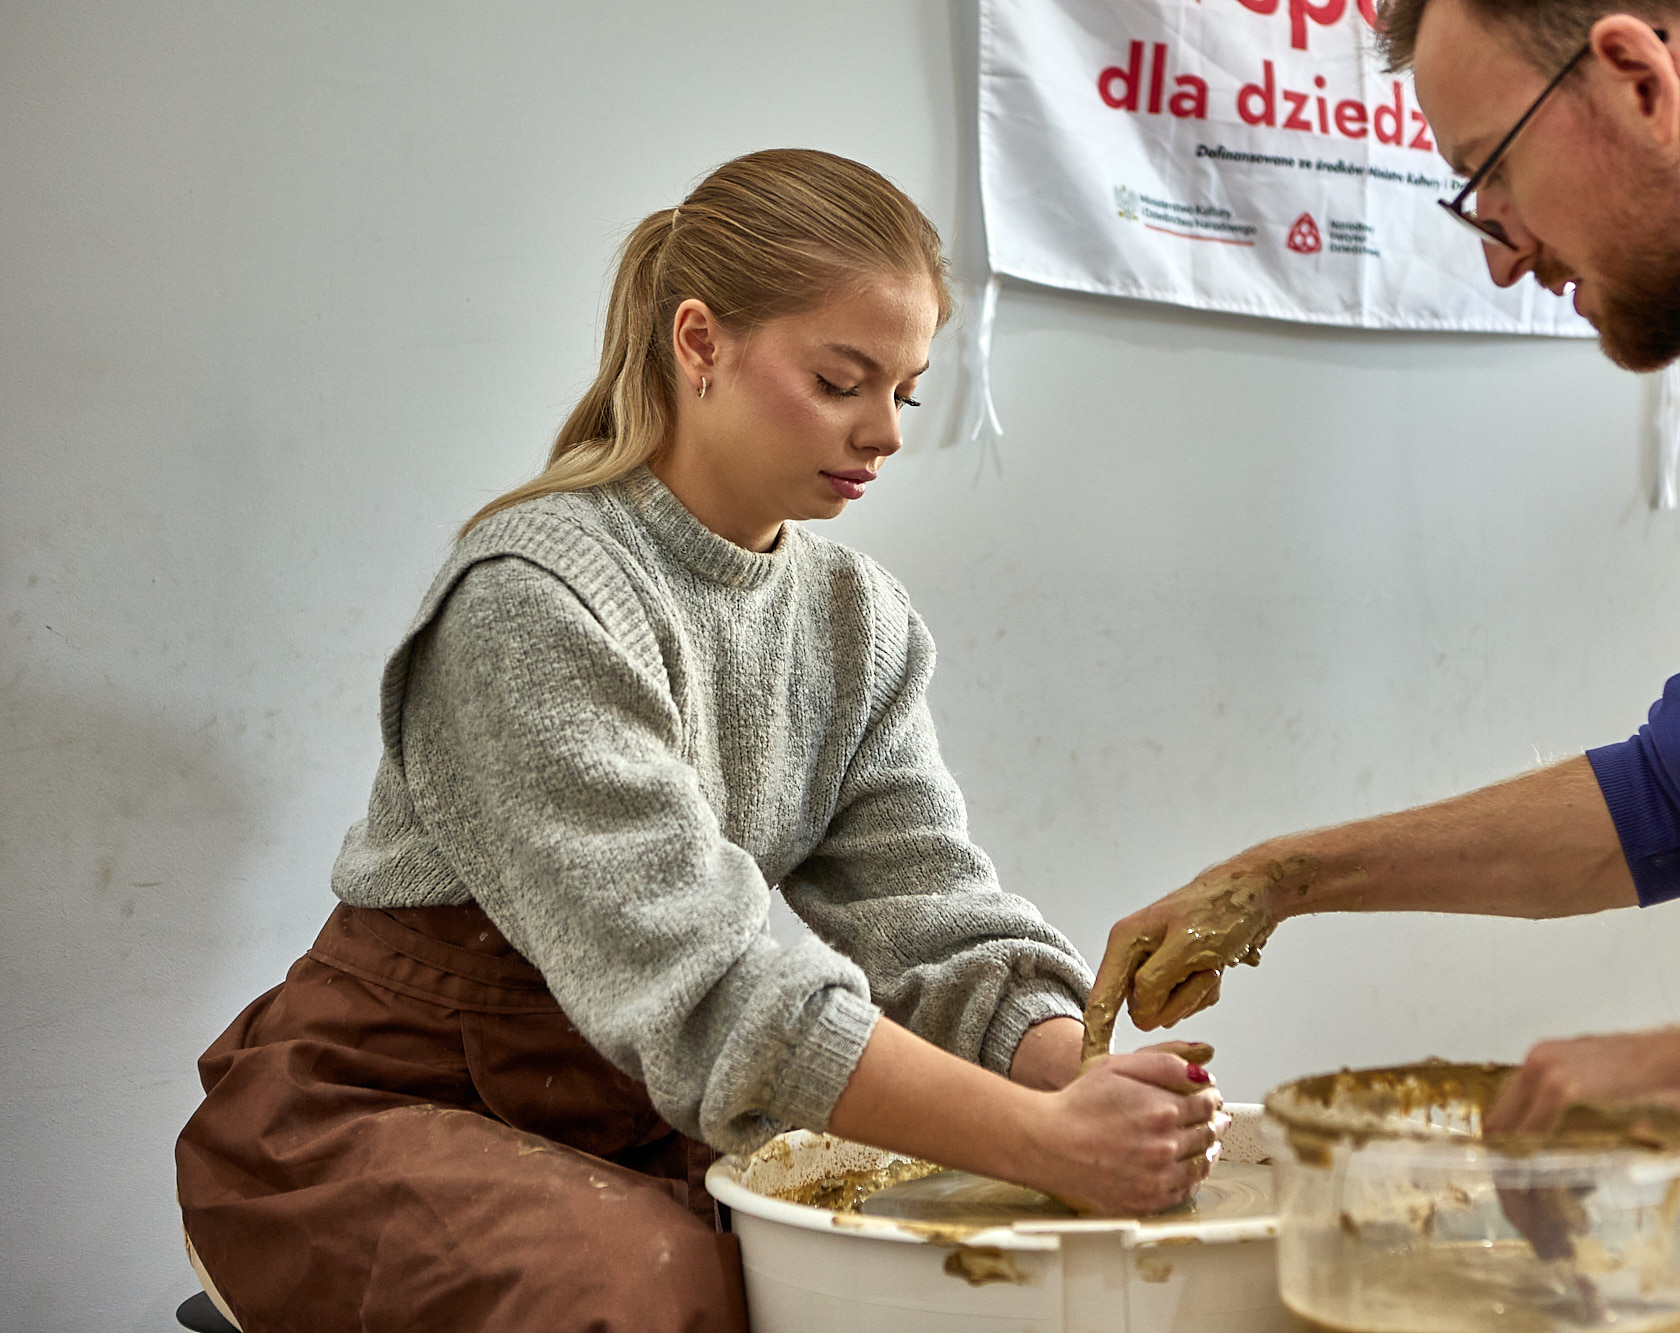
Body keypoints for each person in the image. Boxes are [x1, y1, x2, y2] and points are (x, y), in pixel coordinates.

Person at [174, 149, 1224, 1333]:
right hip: (379, 1107)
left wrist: (1079, 1074)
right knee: (660, 1292)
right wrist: (1040, 1138)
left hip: (642, 1104)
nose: (883, 432)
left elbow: (932, 914)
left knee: (923, 1263)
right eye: (840, 380)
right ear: (697, 343)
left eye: (907, 392)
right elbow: (711, 990)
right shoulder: (534, 596)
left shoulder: (854, 620)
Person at [1087, 2, 1680, 1327]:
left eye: (1492, 172)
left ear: (1634, 76)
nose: (1504, 252)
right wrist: (1280, 877)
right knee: (1504, 1291)